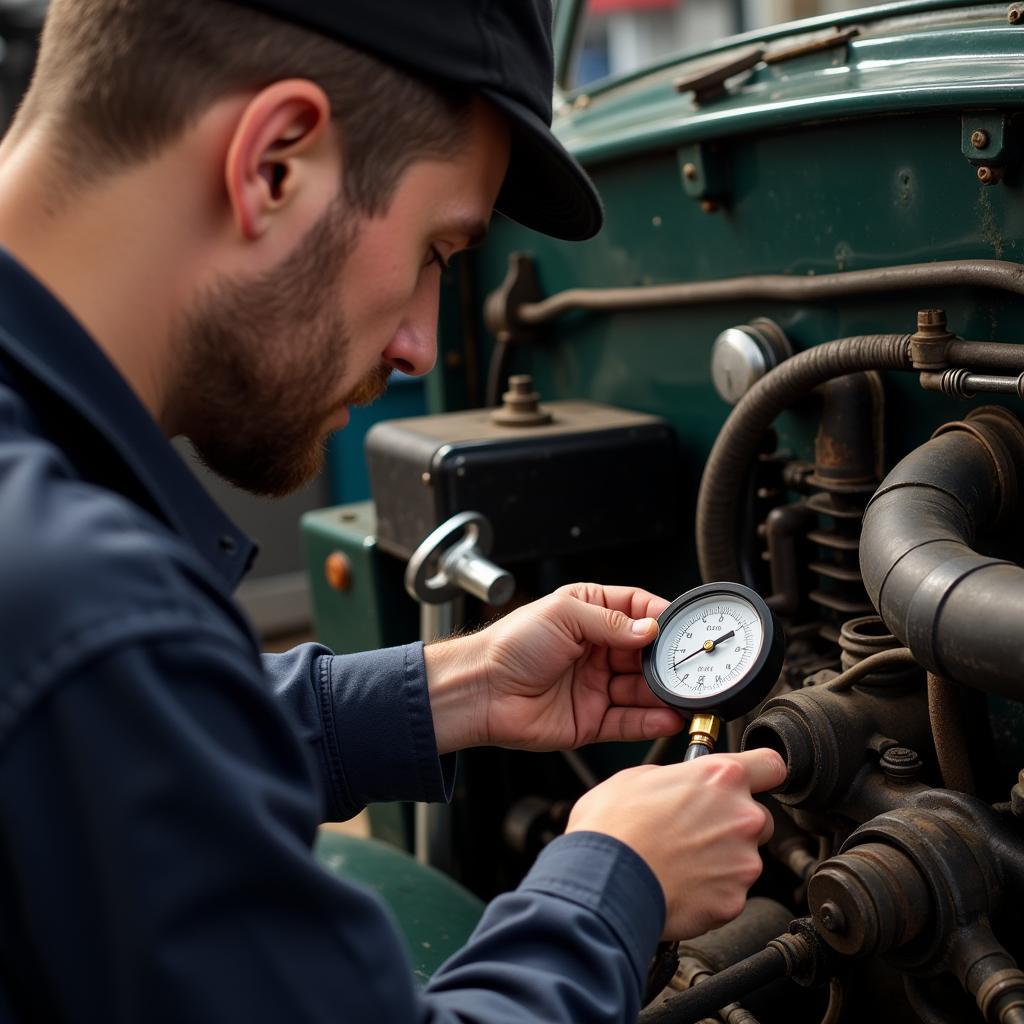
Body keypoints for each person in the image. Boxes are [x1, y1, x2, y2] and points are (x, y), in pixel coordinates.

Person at [0, 0, 786, 1020]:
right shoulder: (83, 607)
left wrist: (453, 687)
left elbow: (100, 759)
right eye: (436, 250)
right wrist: (614, 875)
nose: (418, 342)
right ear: (275, 163)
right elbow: (102, 682)